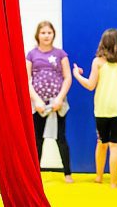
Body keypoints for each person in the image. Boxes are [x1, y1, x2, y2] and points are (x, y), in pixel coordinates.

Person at [73, 28, 117, 188]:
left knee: (101, 142)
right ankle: (114, 183)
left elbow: (90, 85)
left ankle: (99, 177)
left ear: (103, 43)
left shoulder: (98, 62)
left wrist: (77, 74)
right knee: (115, 145)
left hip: (101, 109)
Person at [26, 21, 73, 183]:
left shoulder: (61, 54)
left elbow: (67, 77)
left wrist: (59, 99)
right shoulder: (31, 54)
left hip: (58, 103)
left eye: (49, 32)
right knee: (37, 139)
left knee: (61, 137)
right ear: (38, 35)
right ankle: (35, 174)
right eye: (43, 32)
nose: (46, 35)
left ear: (53, 34)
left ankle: (67, 173)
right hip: (38, 105)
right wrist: (37, 100)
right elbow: (27, 80)